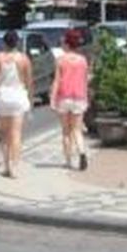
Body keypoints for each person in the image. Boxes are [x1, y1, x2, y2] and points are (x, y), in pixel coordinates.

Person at [0, 30, 33, 178]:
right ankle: (14, 167)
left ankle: (6, 165)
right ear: (17, 42)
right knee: (16, 134)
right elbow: (29, 82)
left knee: (4, 134)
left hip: (2, 97)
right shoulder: (24, 59)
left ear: (4, 43)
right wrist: (30, 100)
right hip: (18, 96)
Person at [50, 28, 91, 171]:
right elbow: (86, 81)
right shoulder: (83, 60)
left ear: (67, 44)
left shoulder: (61, 60)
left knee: (66, 131)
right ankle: (82, 152)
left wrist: (52, 98)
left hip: (64, 97)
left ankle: (68, 161)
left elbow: (56, 81)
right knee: (77, 130)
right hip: (79, 97)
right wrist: (87, 98)